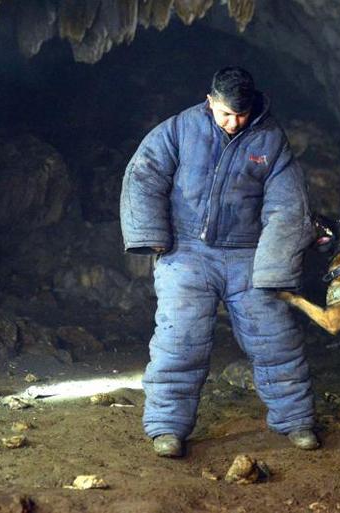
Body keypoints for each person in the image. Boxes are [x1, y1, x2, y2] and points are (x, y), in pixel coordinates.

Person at [120, 66, 318, 457]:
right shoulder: (178, 130)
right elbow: (143, 176)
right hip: (187, 251)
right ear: (210, 101)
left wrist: (274, 268)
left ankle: (297, 421)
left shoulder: (270, 139)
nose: (234, 122)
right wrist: (154, 239)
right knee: (180, 341)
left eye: (241, 115)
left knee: (276, 340)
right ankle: (167, 429)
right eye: (226, 113)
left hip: (248, 254)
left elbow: (288, 206)